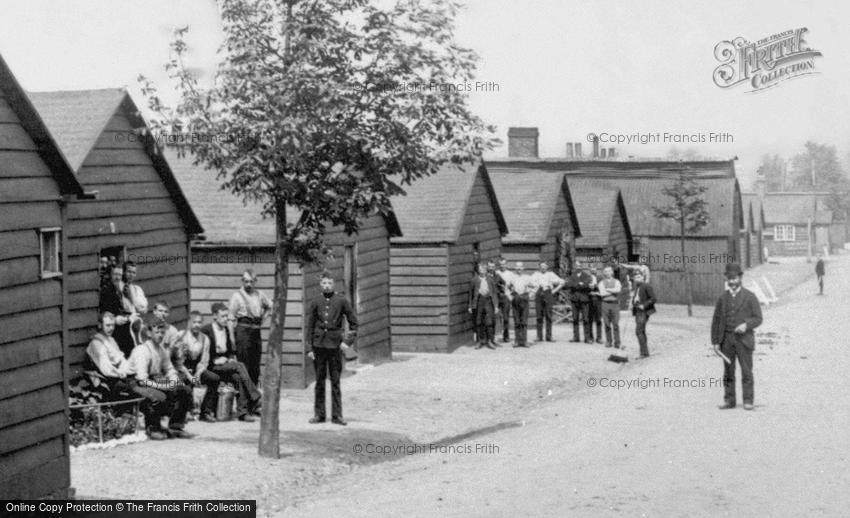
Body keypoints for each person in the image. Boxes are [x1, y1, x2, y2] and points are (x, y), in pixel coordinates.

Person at [129, 315, 195, 440]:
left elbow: (169, 368)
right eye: (157, 332)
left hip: (152, 380)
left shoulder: (161, 350)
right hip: (134, 383)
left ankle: (176, 426)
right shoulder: (142, 350)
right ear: (149, 333)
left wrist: (174, 380)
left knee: (184, 390)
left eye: (162, 332)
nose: (160, 335)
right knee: (159, 396)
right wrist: (162, 386)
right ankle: (153, 428)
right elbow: (142, 379)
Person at [305, 273, 358, 426]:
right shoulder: (315, 302)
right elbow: (310, 325)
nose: (327, 285)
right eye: (324, 283)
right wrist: (309, 347)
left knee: (335, 381)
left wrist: (347, 342)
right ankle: (319, 415)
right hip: (319, 346)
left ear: (334, 284)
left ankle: (337, 416)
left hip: (335, 346)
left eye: (329, 283)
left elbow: (354, 323)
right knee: (319, 381)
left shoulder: (341, 301)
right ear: (320, 284)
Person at [711, 263, 763, 411]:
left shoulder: (750, 297)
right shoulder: (722, 298)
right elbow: (716, 321)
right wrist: (715, 342)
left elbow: (758, 318)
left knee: (746, 371)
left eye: (734, 278)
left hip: (744, 341)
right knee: (728, 372)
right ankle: (729, 400)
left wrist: (746, 325)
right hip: (726, 341)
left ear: (740, 278)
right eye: (729, 279)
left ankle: (748, 400)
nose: (732, 282)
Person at [200, 303, 262, 421]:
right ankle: (256, 396)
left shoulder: (226, 330)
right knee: (240, 366)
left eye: (227, 317)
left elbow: (228, 350)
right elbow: (204, 352)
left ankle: (242, 413)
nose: (225, 320)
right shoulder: (207, 330)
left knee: (238, 377)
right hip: (212, 365)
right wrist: (215, 360)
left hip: (224, 364)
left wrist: (229, 358)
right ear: (214, 316)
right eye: (222, 316)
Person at [229, 269, 272, 386]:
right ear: (242, 281)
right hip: (242, 332)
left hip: (256, 333)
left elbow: (269, 306)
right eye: (246, 281)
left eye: (251, 282)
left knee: (255, 365)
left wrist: (263, 319)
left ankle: (253, 397)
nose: (248, 284)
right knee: (244, 365)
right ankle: (244, 398)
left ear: (255, 282)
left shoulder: (260, 295)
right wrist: (232, 339)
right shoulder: (236, 296)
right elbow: (230, 318)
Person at [85, 312, 135, 395]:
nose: (111, 328)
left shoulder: (111, 340)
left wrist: (127, 370)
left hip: (120, 377)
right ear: (100, 325)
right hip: (108, 381)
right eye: (108, 325)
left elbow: (121, 359)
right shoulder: (96, 344)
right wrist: (121, 373)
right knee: (138, 389)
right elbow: (106, 369)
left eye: (113, 325)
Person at [98, 264, 136, 358]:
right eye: (115, 274)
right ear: (110, 275)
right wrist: (115, 319)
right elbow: (103, 312)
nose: (118, 277)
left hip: (120, 324)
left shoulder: (118, 289)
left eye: (120, 275)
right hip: (110, 326)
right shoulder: (105, 291)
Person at [531, 262, 565, 342]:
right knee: (539, 316)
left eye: (544, 266)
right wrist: (533, 290)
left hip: (548, 294)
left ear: (547, 267)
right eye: (541, 266)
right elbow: (529, 283)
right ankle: (539, 336)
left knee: (548, 316)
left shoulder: (551, 274)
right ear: (539, 267)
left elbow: (562, 282)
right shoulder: (536, 274)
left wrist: (553, 291)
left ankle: (549, 336)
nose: (543, 268)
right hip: (539, 294)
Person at [469, 262, 500, 349]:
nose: (482, 271)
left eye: (484, 269)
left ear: (486, 270)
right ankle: (479, 341)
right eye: (480, 269)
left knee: (489, 321)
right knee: (478, 321)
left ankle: (490, 341)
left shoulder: (490, 280)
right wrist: (470, 306)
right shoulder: (474, 280)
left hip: (488, 301)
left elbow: (494, 293)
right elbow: (471, 294)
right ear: (478, 270)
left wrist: (496, 306)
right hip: (479, 301)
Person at [631, 271, 656, 358]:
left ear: (643, 277)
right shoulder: (636, 287)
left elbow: (653, 299)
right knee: (641, 331)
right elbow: (636, 298)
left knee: (638, 331)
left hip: (644, 311)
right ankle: (645, 352)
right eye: (635, 277)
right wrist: (632, 302)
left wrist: (644, 305)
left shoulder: (647, 286)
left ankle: (643, 353)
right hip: (637, 311)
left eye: (639, 277)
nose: (637, 279)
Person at [567, 262, 594, 343]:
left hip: (584, 300)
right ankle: (576, 337)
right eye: (576, 266)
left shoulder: (586, 275)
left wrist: (578, 285)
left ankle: (587, 338)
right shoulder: (572, 275)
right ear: (575, 267)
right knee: (575, 319)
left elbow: (587, 284)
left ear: (582, 267)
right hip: (574, 300)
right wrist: (580, 284)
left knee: (586, 319)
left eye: (579, 266)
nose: (578, 267)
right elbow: (568, 284)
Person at [509, 262, 534, 347]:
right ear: (515, 268)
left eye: (520, 267)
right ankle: (517, 341)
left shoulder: (527, 277)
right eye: (517, 267)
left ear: (523, 268)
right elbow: (506, 287)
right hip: (515, 299)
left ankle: (524, 341)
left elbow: (536, 286)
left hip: (524, 299)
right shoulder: (512, 278)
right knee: (517, 321)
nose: (519, 269)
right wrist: (509, 296)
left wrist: (530, 294)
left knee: (524, 321)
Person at [598, 266, 622, 348]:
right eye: (606, 271)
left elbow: (618, 290)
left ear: (612, 272)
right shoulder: (601, 282)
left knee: (615, 323)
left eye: (609, 271)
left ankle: (617, 342)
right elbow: (602, 293)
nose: (608, 273)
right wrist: (613, 291)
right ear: (604, 273)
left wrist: (608, 290)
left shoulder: (617, 281)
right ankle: (609, 341)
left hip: (615, 304)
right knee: (607, 323)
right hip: (605, 304)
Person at [495, 259, 515, 343]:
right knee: (495, 316)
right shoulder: (496, 273)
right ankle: (495, 336)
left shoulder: (510, 274)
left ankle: (506, 336)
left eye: (503, 264)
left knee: (505, 317)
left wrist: (510, 295)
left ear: (506, 264)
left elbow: (513, 286)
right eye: (500, 264)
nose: (502, 266)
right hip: (497, 297)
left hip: (506, 297)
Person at [587, 267, 603, 344]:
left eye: (594, 269)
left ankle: (599, 337)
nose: (593, 270)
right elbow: (584, 288)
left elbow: (603, 288)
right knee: (590, 319)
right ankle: (590, 337)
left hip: (598, 300)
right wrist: (588, 287)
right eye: (591, 269)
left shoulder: (600, 278)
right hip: (589, 300)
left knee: (598, 319)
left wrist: (595, 286)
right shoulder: (587, 278)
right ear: (590, 270)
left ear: (597, 270)